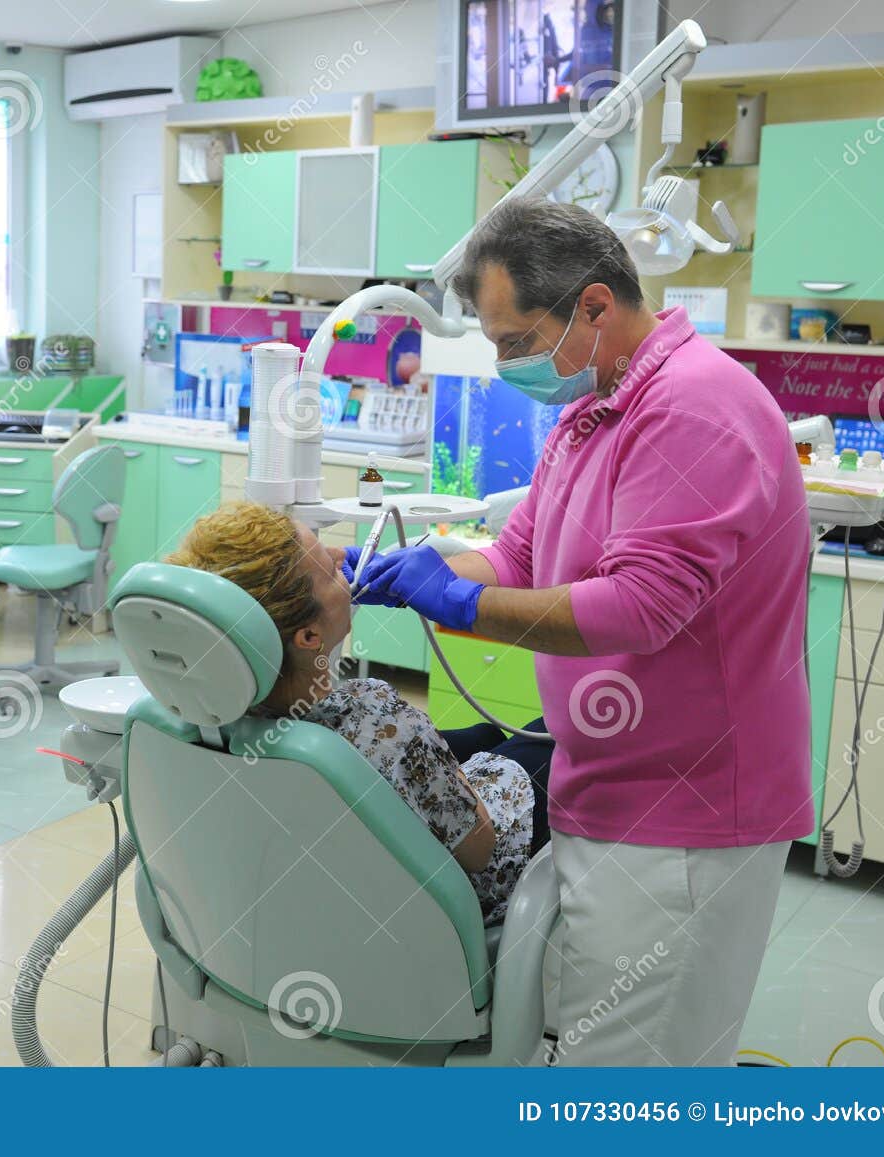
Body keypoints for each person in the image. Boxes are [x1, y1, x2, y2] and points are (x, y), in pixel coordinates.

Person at [352, 199, 813, 1065]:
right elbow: (523, 555)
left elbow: (639, 606)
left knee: (635, 1078)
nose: (504, 366)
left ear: (595, 306)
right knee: (600, 1048)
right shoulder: (595, 404)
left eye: (514, 343)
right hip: (608, 784)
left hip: (688, 809)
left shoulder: (690, 410)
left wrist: (460, 604)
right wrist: (430, 568)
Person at [168, 501, 550, 925]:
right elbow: (479, 849)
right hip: (474, 878)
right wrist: (448, 771)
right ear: (310, 635)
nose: (341, 557)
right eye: (329, 570)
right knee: (551, 733)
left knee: (483, 735)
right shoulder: (382, 719)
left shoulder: (206, 713)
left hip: (330, 885)